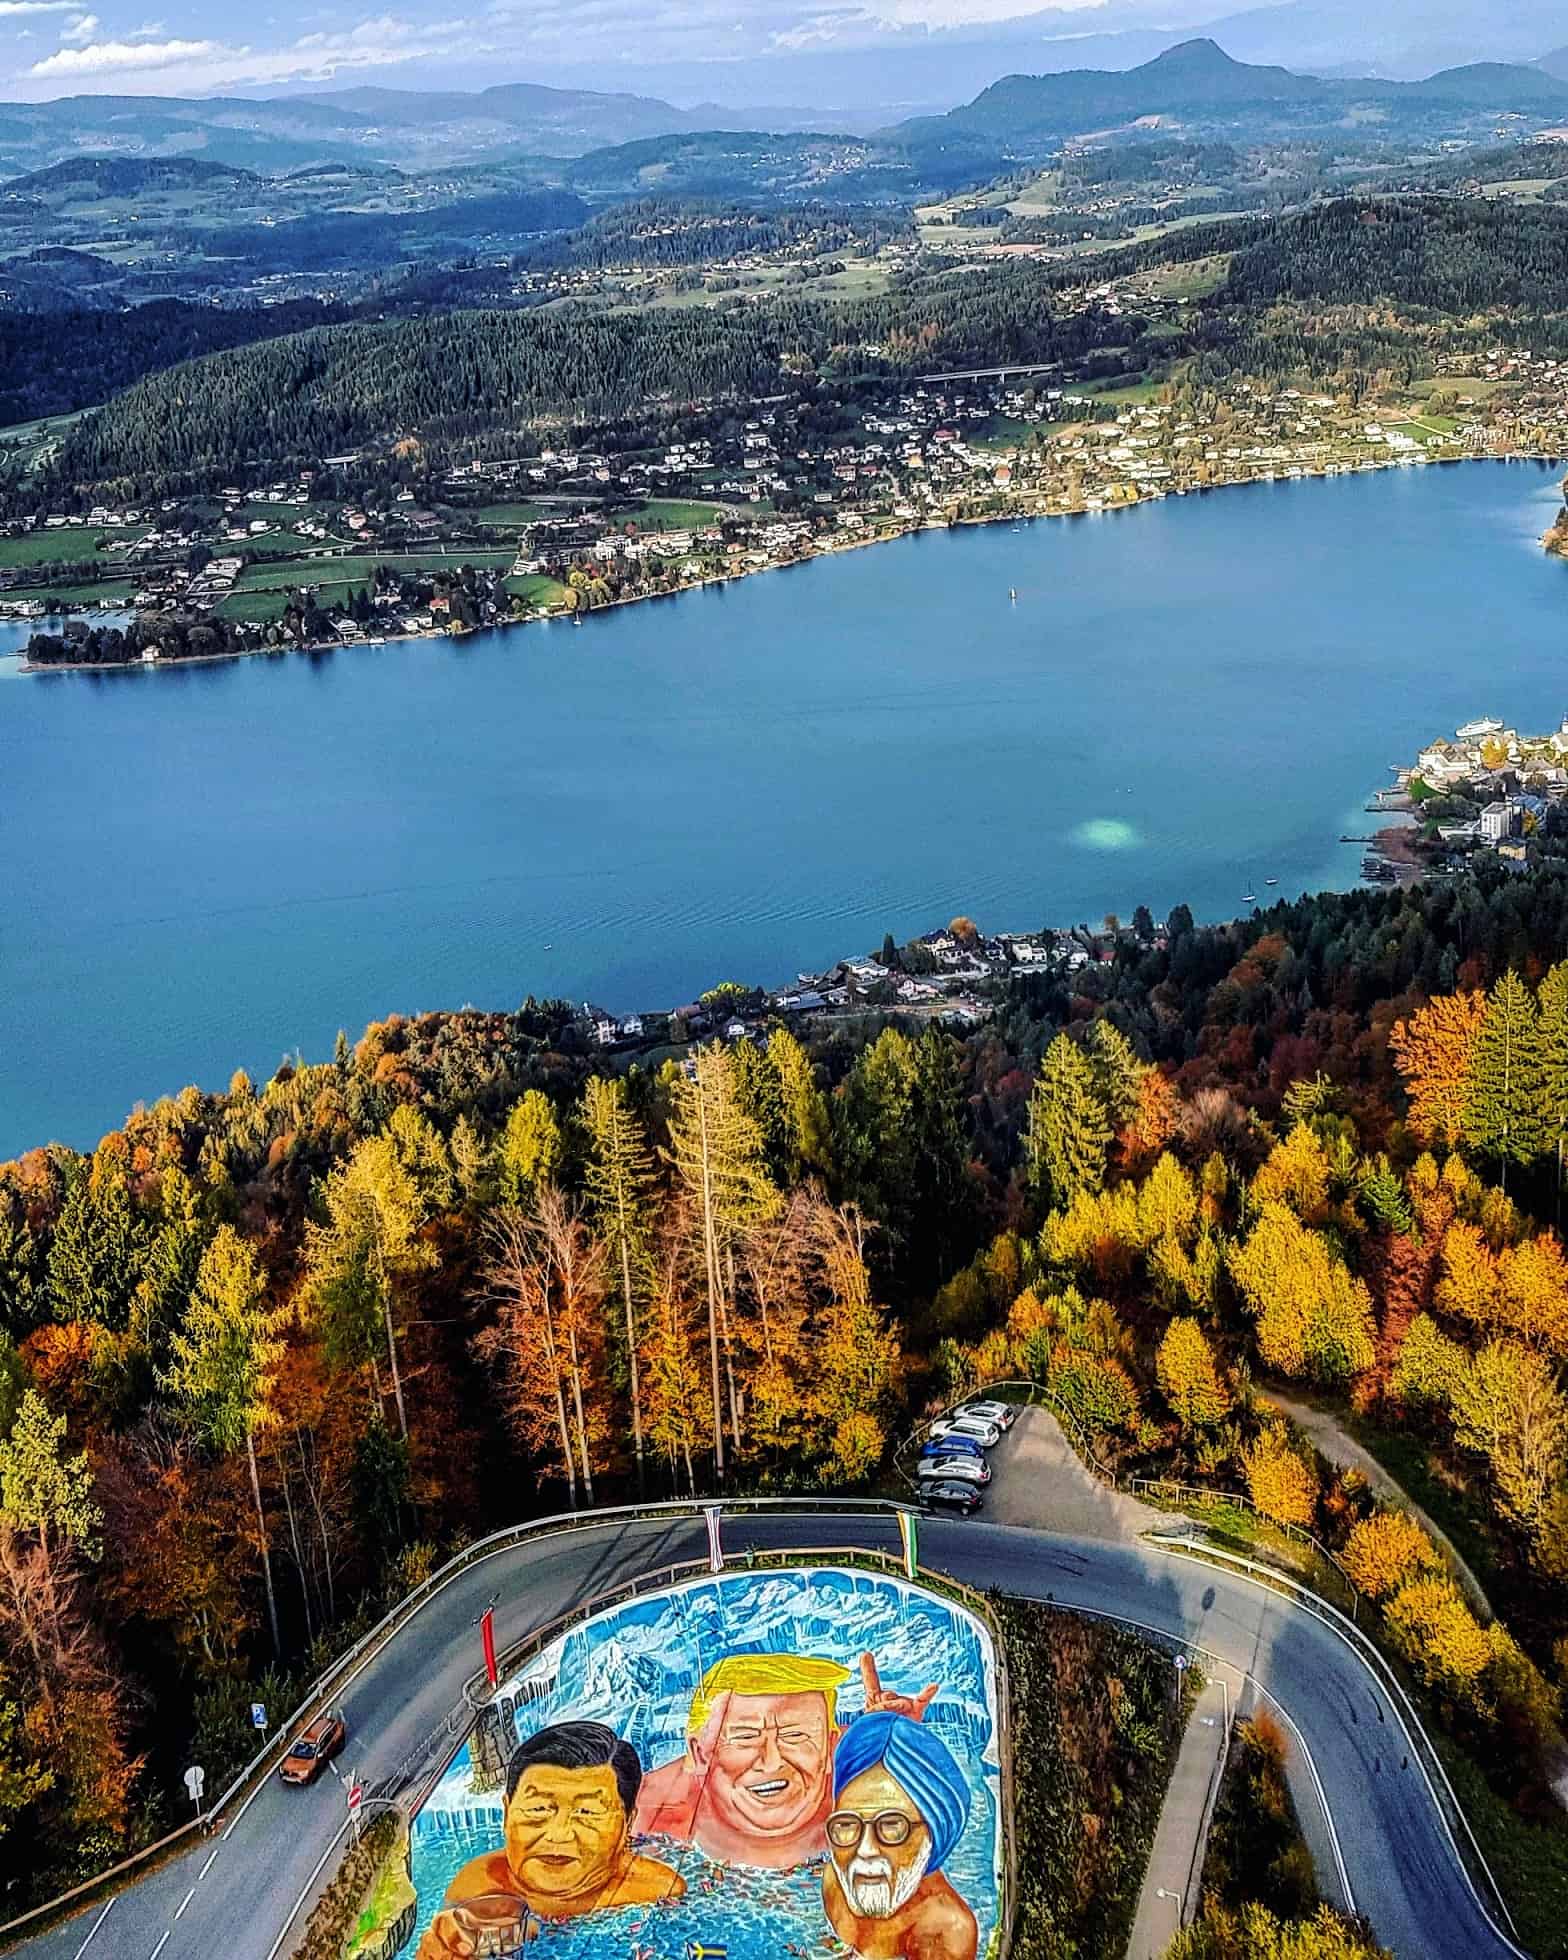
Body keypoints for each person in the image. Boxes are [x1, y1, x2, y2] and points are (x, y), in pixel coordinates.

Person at [635, 1653, 939, 1870]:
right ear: (699, 1753)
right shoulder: (649, 1812)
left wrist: (903, 1746)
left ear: (831, 1746)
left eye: (795, 1735)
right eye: (745, 1737)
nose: (771, 1762)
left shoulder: (862, 1771)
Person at [416, 1722, 683, 1958]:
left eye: (587, 1812)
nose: (559, 1834)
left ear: (627, 1823)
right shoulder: (479, 1888)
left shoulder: (655, 1892)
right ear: (507, 1813)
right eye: (538, 1809)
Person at [821, 1712, 978, 1960]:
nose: (865, 1850)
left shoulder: (945, 1928)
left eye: (892, 1825)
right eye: (848, 1824)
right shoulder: (835, 1884)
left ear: (932, 1832)